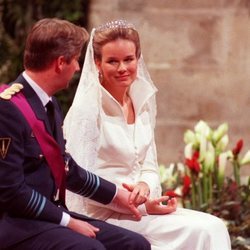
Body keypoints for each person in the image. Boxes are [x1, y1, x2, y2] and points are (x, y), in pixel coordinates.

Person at [64, 20, 232, 250]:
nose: (122, 68)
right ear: (97, 64)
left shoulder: (142, 101)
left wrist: (145, 186)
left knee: (214, 226)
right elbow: (77, 180)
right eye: (113, 61)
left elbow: (149, 165)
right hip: (104, 215)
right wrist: (133, 202)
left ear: (138, 59)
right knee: (201, 231)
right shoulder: (86, 110)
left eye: (128, 59)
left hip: (142, 210)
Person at [0, 18, 152, 250]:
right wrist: (68, 221)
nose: (79, 68)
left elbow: (66, 167)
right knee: (90, 249)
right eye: (76, 60)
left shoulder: (48, 103)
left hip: (46, 218)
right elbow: (10, 191)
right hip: (15, 223)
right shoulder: (8, 109)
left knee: (134, 244)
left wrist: (116, 196)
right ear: (61, 63)